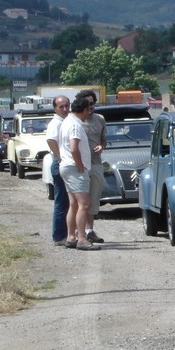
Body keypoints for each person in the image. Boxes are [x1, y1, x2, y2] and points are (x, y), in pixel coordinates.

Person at [59, 96, 100, 251]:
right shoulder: (75, 125)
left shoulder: (66, 122)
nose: (89, 113)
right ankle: (82, 238)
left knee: (74, 204)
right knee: (84, 204)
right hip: (75, 168)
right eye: (88, 109)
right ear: (84, 110)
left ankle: (71, 237)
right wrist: (80, 165)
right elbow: (74, 148)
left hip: (67, 167)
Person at [80, 89, 106, 244]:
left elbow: (104, 140)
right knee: (80, 200)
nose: (91, 106)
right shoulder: (75, 120)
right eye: (88, 103)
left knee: (93, 199)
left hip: (96, 163)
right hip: (80, 165)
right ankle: (79, 231)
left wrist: (102, 146)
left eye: (93, 103)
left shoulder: (100, 119)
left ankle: (90, 230)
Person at [45, 96, 71, 246]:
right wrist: (60, 157)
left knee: (68, 201)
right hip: (59, 163)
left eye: (67, 106)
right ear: (55, 108)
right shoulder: (55, 123)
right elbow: (50, 140)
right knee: (61, 201)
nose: (65, 109)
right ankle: (59, 235)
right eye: (61, 106)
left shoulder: (66, 121)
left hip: (64, 162)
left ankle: (67, 233)